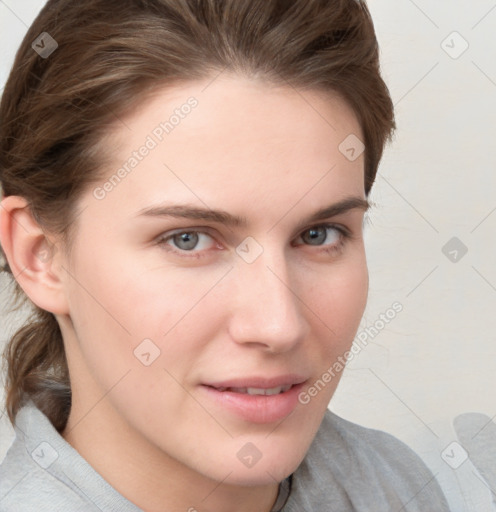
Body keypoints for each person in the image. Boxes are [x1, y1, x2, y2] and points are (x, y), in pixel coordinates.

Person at [0, 0, 450, 510]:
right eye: (187, 239)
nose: (279, 325)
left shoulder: (398, 486)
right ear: (39, 255)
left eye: (320, 234)